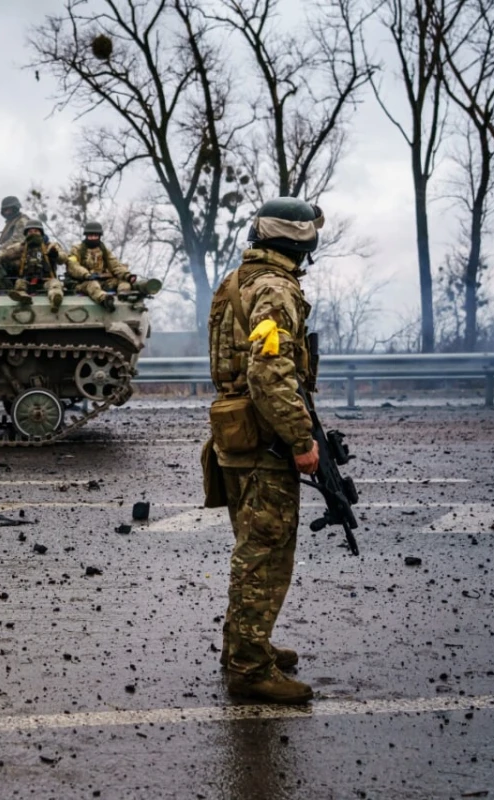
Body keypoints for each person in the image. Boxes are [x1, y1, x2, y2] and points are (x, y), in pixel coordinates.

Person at [205, 196, 326, 705]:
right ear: (298, 241)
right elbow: (268, 372)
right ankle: (250, 670)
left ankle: (246, 646)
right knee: (265, 551)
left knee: (253, 546)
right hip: (265, 439)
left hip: (238, 434)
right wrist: (301, 440)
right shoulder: (276, 289)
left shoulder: (238, 280)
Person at [0, 218, 64, 311]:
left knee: (55, 285)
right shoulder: (22, 246)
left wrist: (56, 255)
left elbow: (63, 258)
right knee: (19, 285)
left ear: (41, 233)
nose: (33, 233)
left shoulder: (50, 246)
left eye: (36, 231)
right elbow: (6, 251)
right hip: (27, 279)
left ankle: (55, 299)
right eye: (30, 231)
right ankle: (24, 298)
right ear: (26, 234)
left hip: (46, 279)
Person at [66, 221, 139, 310]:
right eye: (90, 236)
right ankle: (105, 300)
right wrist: (86, 275)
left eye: (95, 236)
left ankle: (123, 297)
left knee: (123, 282)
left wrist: (127, 275)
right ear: (86, 236)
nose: (93, 238)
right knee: (93, 285)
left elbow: (115, 265)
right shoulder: (77, 249)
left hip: (102, 281)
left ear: (99, 236)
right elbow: (73, 266)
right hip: (83, 283)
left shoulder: (103, 250)